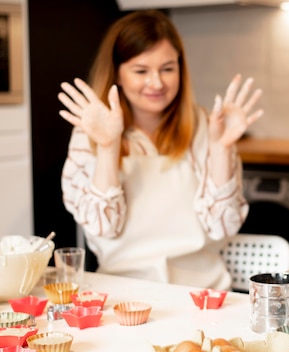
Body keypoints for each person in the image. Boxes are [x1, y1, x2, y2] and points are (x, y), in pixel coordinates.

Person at [58, 10, 263, 290]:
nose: (156, 83)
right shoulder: (89, 134)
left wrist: (220, 149)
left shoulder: (205, 126)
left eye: (167, 69)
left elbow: (222, 227)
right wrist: (108, 147)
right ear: (117, 72)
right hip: (123, 294)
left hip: (202, 292)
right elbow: (103, 228)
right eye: (141, 71)